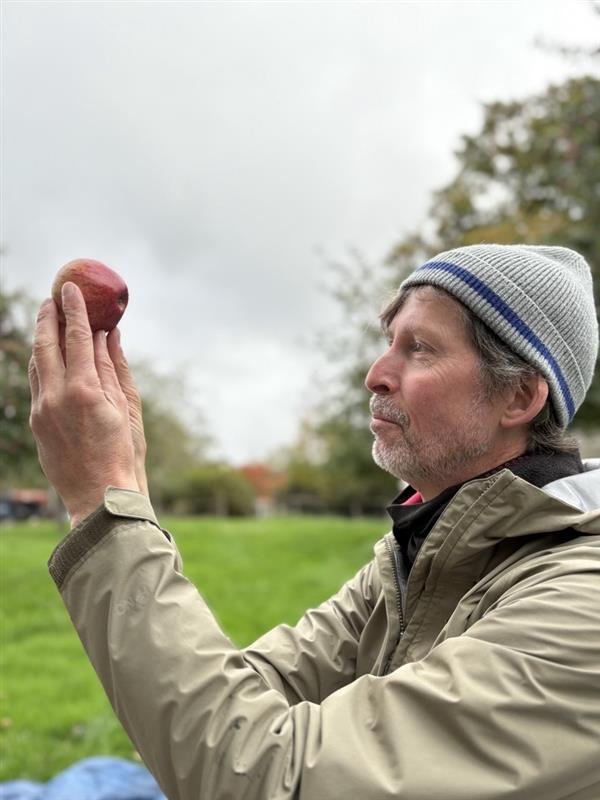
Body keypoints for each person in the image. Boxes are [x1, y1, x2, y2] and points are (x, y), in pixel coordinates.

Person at [30, 244, 600, 800]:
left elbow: (266, 777)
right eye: (389, 344)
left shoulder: (581, 608)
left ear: (518, 396)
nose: (376, 374)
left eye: (420, 349)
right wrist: (124, 487)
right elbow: (243, 700)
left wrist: (106, 503)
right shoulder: (417, 559)